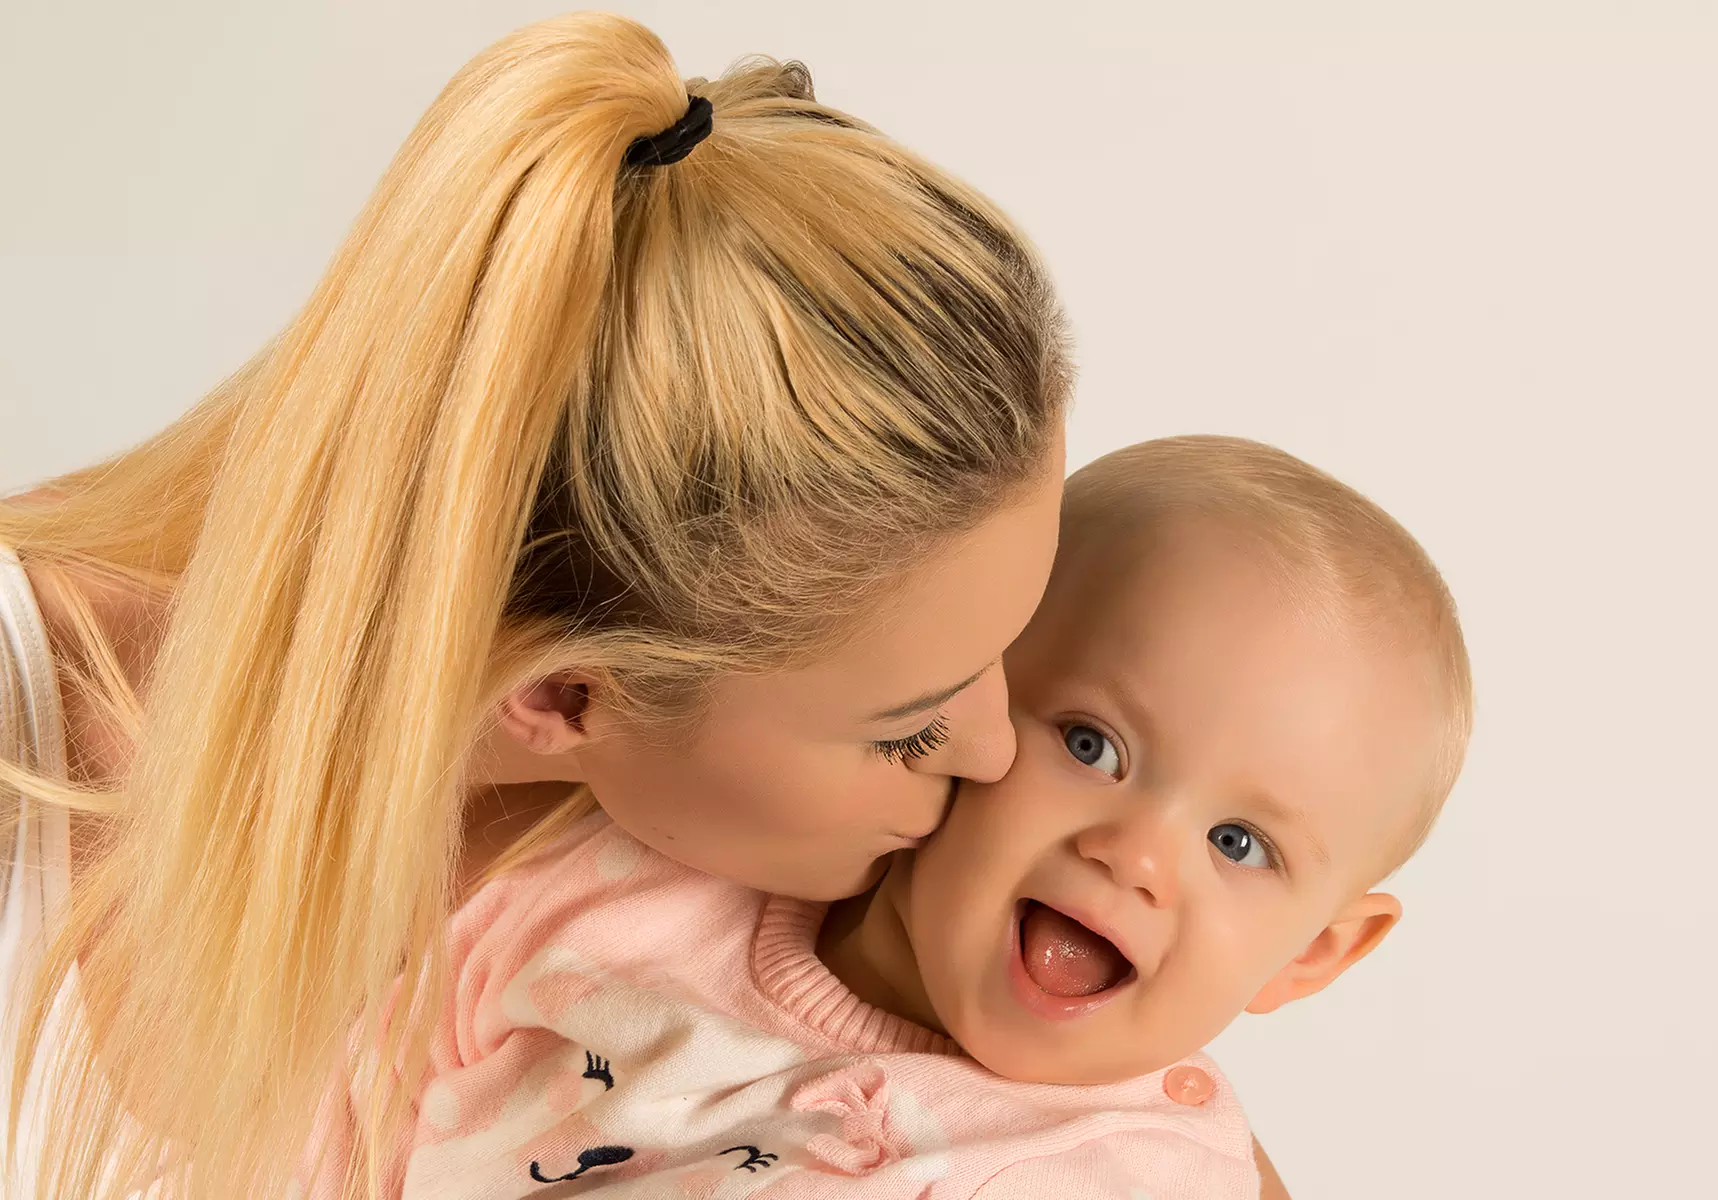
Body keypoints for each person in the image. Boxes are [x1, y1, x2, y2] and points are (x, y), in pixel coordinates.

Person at [0, 14, 1074, 1198]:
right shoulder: (23, 759)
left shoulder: (717, 858)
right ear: (560, 694)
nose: (997, 750)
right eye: (906, 730)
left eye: (1009, 645)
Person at [314, 436, 1472, 1198]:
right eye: (1090, 744)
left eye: (1237, 845)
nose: (1134, 856)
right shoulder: (617, 885)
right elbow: (326, 1107)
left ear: (1315, 953)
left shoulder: (1123, 1173)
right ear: (962, 689)